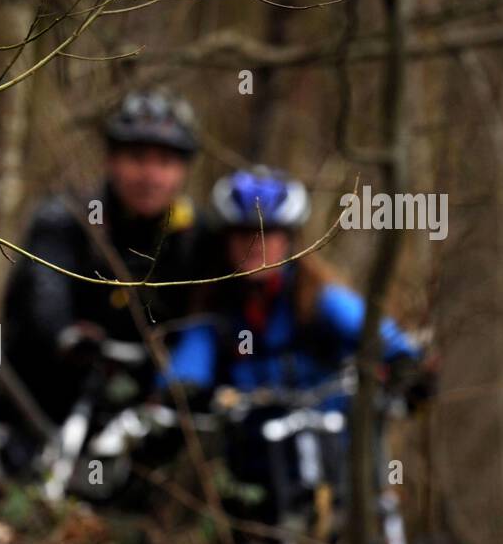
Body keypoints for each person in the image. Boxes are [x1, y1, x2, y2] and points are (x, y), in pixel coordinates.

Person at [0, 90, 213, 473]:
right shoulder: (67, 218)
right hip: (47, 388)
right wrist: (65, 335)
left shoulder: (195, 236)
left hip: (143, 397)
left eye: (165, 161)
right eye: (137, 158)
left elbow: (211, 315)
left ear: (183, 170)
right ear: (112, 160)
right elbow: (45, 288)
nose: (151, 175)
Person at [161, 166, 423, 402]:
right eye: (243, 232)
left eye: (269, 232)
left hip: (331, 438)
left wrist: (404, 362)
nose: (255, 244)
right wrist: (179, 392)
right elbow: (192, 354)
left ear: (289, 240)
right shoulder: (216, 304)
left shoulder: (317, 296)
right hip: (247, 443)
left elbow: (371, 329)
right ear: (225, 240)